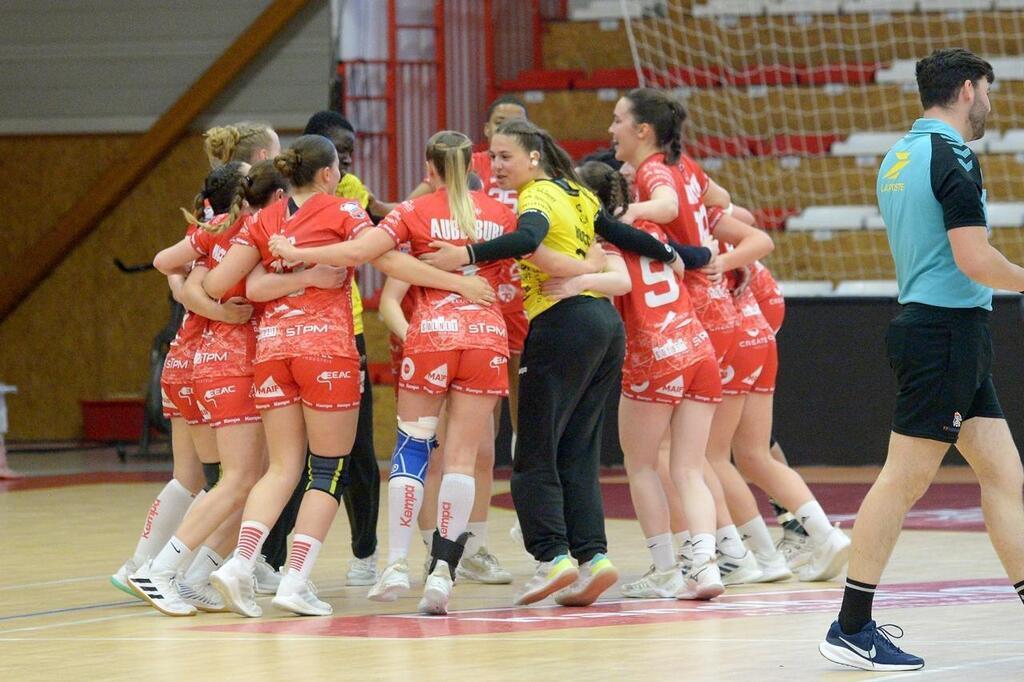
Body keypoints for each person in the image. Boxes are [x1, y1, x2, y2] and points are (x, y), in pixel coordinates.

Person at [206, 134, 495, 618]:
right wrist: (457, 282)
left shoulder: (263, 220)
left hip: (273, 351)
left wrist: (282, 274)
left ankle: (239, 565)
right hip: (326, 352)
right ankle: (295, 580)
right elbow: (382, 259)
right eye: (338, 167)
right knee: (328, 469)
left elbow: (217, 285)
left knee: (281, 468)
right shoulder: (345, 212)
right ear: (326, 173)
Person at [421, 119, 684, 607]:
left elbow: (528, 238)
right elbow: (619, 232)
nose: (496, 166)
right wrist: (670, 252)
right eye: (492, 157)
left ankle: (552, 558)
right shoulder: (577, 193)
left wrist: (466, 253)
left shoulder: (537, 196)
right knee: (577, 451)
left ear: (534, 158)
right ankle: (594, 558)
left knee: (534, 451)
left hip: (562, 326)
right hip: (604, 328)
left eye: (505, 157)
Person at [820, 49, 1024, 672]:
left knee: (1003, 474)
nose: (990, 103)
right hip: (946, 332)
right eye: (986, 91)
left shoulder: (899, 155)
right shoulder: (954, 156)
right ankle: (851, 626)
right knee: (904, 477)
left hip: (937, 327)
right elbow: (974, 259)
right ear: (967, 90)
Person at [572, 161, 725, 600]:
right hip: (698, 348)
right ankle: (705, 567)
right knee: (688, 469)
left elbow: (616, 283)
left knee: (640, 465)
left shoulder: (603, 241)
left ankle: (665, 569)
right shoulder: (654, 232)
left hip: (654, 355)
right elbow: (693, 256)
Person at [129, 162, 269, 617]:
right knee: (229, 481)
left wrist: (207, 299)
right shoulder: (250, 231)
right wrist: (222, 307)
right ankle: (158, 568)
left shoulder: (212, 231)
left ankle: (183, 572)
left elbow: (177, 274)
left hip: (200, 360)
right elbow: (198, 281)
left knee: (233, 480)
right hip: (224, 362)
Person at [259, 110, 385, 588]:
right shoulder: (300, 203)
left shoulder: (349, 193)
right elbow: (373, 246)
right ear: (322, 164)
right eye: (342, 152)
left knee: (354, 452)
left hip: (332, 332)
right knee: (298, 460)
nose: (349, 161)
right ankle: (274, 563)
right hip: (322, 341)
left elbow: (384, 225)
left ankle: (363, 551)